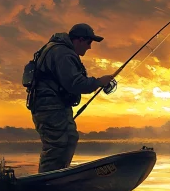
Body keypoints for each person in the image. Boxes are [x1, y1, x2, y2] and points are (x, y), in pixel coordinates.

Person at [29, 23, 115, 173]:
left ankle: (60, 176)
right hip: (50, 108)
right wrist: (99, 81)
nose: (90, 47)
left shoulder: (59, 50)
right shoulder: (63, 53)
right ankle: (46, 182)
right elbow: (75, 83)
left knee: (70, 138)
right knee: (57, 145)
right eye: (89, 42)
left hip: (57, 107)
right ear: (79, 40)